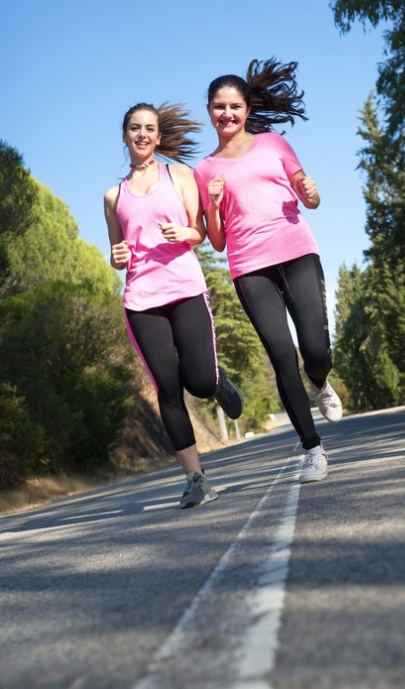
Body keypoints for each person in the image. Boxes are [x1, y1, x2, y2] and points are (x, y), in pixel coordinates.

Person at [194, 58, 342, 484]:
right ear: (209, 110)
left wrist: (311, 191)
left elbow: (308, 198)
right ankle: (313, 450)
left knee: (314, 349)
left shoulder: (275, 144)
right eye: (219, 106)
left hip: (296, 252)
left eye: (234, 106)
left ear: (246, 110)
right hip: (249, 268)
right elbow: (217, 242)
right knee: (281, 357)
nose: (227, 114)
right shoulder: (205, 171)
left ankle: (320, 382)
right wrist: (216, 205)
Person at [104, 102, 243, 508]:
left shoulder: (178, 175)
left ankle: (216, 381)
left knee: (198, 381)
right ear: (125, 135)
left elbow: (200, 231)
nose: (142, 134)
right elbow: (116, 251)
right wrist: (117, 258)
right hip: (142, 301)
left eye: (149, 128)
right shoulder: (113, 196)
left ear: (159, 137)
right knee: (168, 388)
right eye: (134, 128)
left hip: (184, 289)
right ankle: (195, 478)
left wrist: (185, 231)